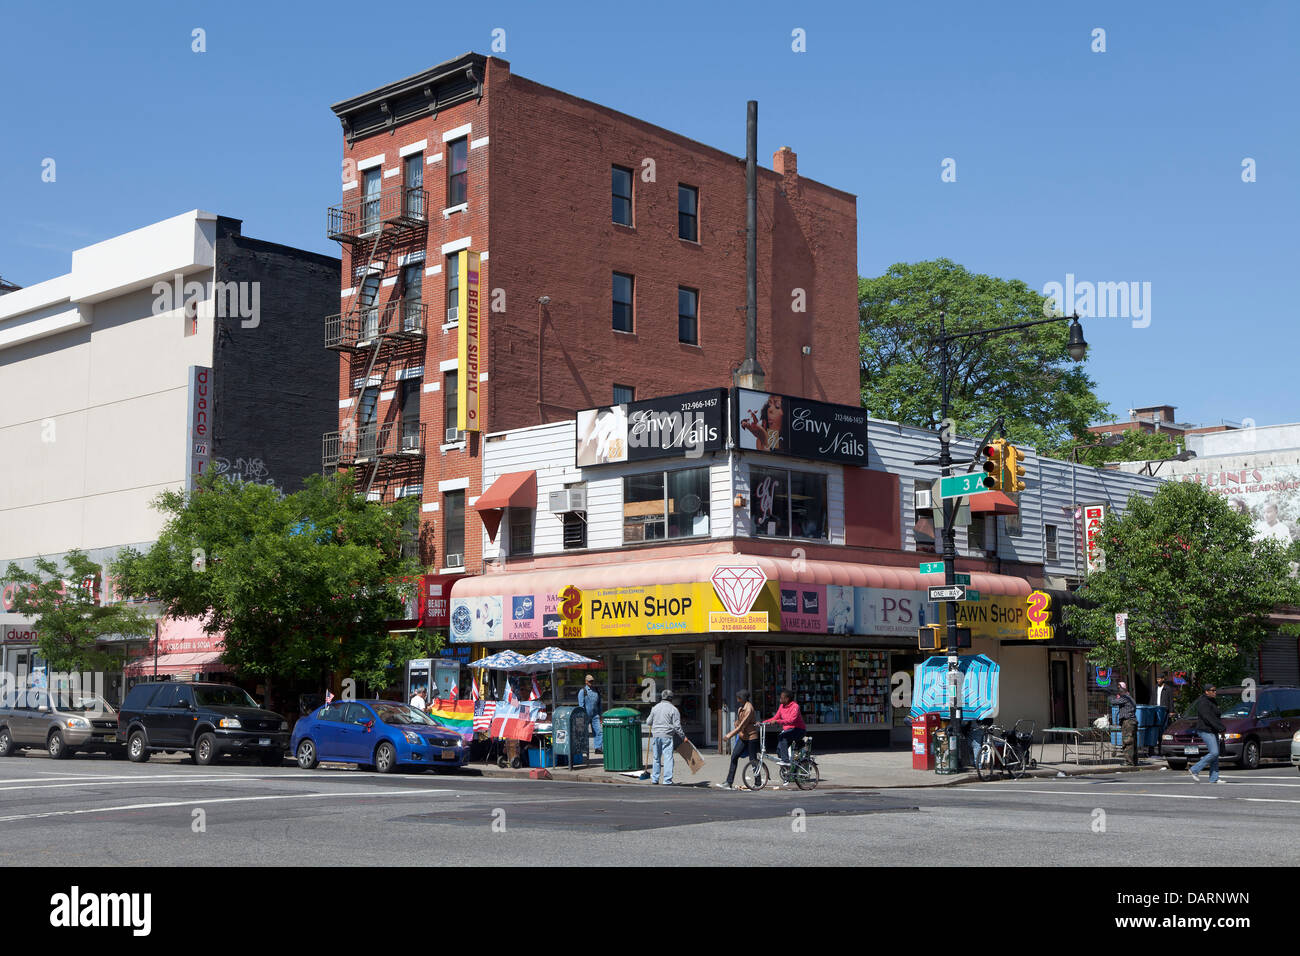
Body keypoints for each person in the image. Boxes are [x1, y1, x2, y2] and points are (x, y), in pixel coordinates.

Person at [718, 691, 760, 790]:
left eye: (738, 698)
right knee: (734, 756)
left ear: (743, 698)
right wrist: (736, 723)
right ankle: (729, 782)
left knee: (753, 760)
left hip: (751, 737)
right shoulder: (741, 708)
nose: (737, 700)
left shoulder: (749, 709)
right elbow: (738, 722)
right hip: (743, 737)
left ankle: (758, 782)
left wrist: (729, 735)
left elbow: (741, 726)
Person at [1189, 684, 1227, 784]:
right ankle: (1194, 769)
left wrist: (1220, 729)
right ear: (1206, 691)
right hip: (1205, 730)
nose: (1215, 692)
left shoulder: (1212, 701)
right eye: (1213, 690)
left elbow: (1216, 717)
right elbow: (1208, 718)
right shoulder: (1203, 702)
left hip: (1213, 730)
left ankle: (1214, 778)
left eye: (1215, 690)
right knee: (1214, 752)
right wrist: (1221, 728)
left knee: (1215, 754)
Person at [762, 690, 806, 768]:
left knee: (782, 737)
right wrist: (763, 722)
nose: (780, 700)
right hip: (788, 731)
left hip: (798, 730)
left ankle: (786, 761)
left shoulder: (795, 706)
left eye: (782, 698)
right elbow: (775, 718)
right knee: (779, 750)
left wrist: (777, 722)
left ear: (787, 699)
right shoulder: (782, 706)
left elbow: (791, 720)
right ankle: (788, 770)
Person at [647, 689, 683, 785]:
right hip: (667, 735)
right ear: (671, 698)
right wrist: (683, 737)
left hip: (656, 735)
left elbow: (648, 722)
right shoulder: (673, 709)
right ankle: (667, 780)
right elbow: (677, 726)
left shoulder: (655, 708)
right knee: (668, 758)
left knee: (656, 758)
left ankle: (655, 779)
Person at [1113, 682, 1138, 766]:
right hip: (1131, 721)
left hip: (1128, 722)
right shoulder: (1129, 697)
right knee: (1132, 742)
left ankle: (1129, 761)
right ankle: (1134, 761)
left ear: (1123, 689)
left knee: (1128, 742)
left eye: (1119, 689)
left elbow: (1113, 702)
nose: (1118, 690)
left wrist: (1111, 697)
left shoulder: (1125, 697)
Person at [1151, 672, 1176, 755]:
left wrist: (1171, 711)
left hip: (1164, 711)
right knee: (1156, 731)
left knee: (1163, 730)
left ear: (1163, 679)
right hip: (1156, 710)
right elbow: (1152, 699)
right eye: (1157, 679)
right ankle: (1157, 750)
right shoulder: (1155, 688)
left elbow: (1170, 701)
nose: (1158, 680)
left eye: (1159, 679)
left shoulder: (1168, 689)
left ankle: (1162, 750)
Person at [578, 674, 603, 754]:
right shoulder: (582, 691)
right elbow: (581, 705)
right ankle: (583, 748)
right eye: (589, 681)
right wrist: (582, 716)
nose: (591, 682)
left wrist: (600, 715)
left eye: (592, 681)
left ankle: (598, 748)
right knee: (584, 733)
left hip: (595, 715)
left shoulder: (596, 691)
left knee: (599, 731)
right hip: (585, 715)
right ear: (586, 681)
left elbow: (599, 704)